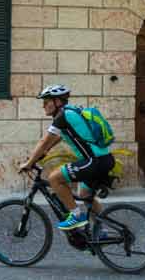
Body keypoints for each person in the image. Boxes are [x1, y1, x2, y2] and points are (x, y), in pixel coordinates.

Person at [19, 83, 114, 240]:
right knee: (85, 194)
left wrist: (29, 163)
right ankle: (101, 231)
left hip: (94, 161)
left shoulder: (62, 116)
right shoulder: (70, 113)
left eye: (46, 102)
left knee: (54, 178)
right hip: (104, 159)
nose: (43, 106)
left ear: (57, 101)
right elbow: (57, 138)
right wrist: (44, 153)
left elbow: (44, 141)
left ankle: (76, 215)